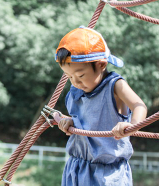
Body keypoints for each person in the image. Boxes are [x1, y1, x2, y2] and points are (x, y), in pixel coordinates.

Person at [53, 26, 147, 186]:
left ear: (101, 65)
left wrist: (131, 126)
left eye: (81, 75)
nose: (75, 82)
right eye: (69, 76)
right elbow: (85, 118)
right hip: (76, 168)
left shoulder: (115, 86)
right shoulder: (77, 88)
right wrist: (69, 121)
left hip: (107, 174)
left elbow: (140, 106)